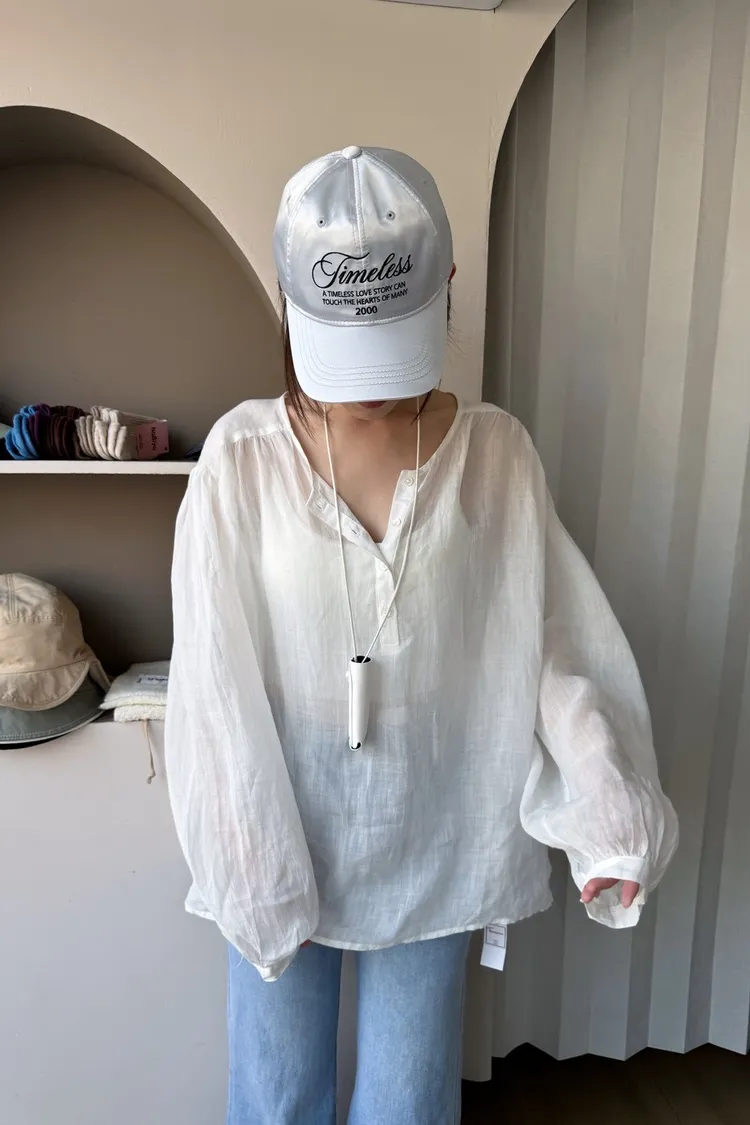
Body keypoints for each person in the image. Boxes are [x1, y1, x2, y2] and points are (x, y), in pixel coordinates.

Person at [165, 146, 678, 1125]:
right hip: (281, 820)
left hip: (438, 827)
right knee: (276, 1101)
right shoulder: (243, 460)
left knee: (408, 1105)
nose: (370, 391)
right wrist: (250, 859)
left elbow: (552, 644)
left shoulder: (496, 456)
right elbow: (215, 681)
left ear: (446, 287)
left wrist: (608, 810)